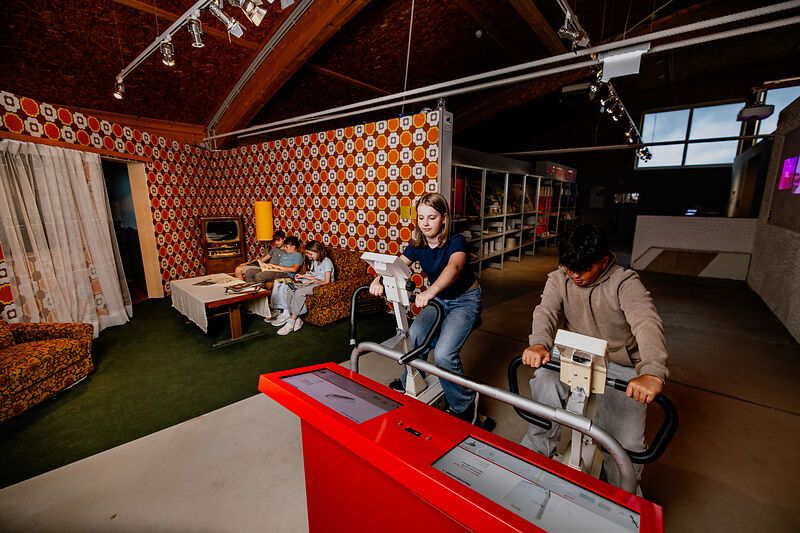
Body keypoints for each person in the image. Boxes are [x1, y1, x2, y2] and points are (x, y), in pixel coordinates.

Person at [519, 224, 669, 486]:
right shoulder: (559, 278)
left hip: (618, 363)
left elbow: (646, 322)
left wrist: (652, 370)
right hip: (572, 353)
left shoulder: (624, 282)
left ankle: (623, 493)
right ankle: (535, 456)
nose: (574, 276)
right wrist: (539, 344)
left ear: (602, 261)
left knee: (627, 442)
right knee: (544, 385)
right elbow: (546, 312)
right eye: (569, 268)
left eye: (583, 269)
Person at [369, 192, 482, 423]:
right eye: (421, 218)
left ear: (444, 218)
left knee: (444, 355)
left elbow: (454, 267)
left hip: (465, 299)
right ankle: (409, 378)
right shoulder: (417, 246)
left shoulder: (456, 241)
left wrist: (430, 292)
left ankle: (464, 404)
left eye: (431, 217)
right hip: (439, 300)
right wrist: (377, 280)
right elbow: (395, 265)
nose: (426, 223)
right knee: (415, 336)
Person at [271, 240, 334, 335]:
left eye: (310, 253)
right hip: (316, 282)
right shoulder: (316, 261)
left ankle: (291, 322)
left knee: (299, 292)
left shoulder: (327, 262)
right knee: (291, 288)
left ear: (318, 251)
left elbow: (326, 282)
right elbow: (316, 276)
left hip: (323, 286)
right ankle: (295, 317)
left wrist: (313, 281)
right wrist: (303, 276)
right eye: (307, 253)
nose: (308, 256)